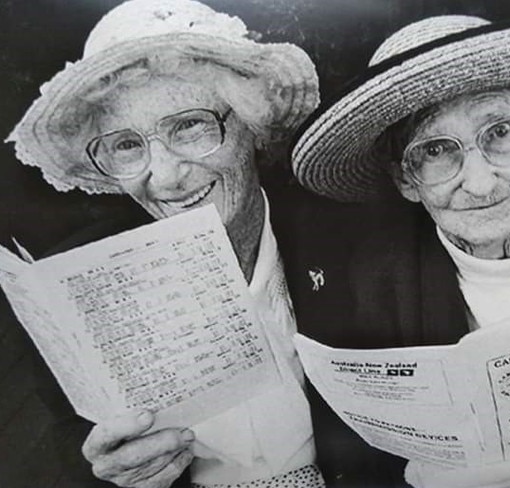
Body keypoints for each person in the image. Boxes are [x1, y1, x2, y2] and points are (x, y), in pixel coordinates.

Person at [289, 15, 510, 488]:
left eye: (501, 133)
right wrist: (415, 481)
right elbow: (353, 462)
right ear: (405, 180)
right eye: (436, 151)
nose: (480, 184)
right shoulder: (365, 286)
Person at [6, 0, 324, 487]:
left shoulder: (351, 243)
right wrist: (106, 470)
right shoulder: (71, 289)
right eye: (128, 145)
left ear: (251, 123)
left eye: (190, 125)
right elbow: (68, 437)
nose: (166, 176)